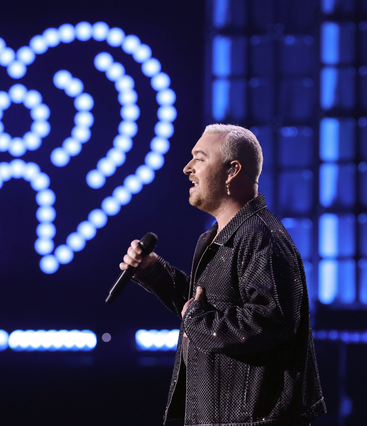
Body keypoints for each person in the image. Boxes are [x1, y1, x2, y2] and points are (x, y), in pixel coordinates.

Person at [120, 124, 326, 426]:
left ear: (232, 171)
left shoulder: (261, 236)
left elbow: (270, 321)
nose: (187, 168)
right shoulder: (221, 236)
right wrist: (153, 271)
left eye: (199, 159)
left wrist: (197, 320)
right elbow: (204, 307)